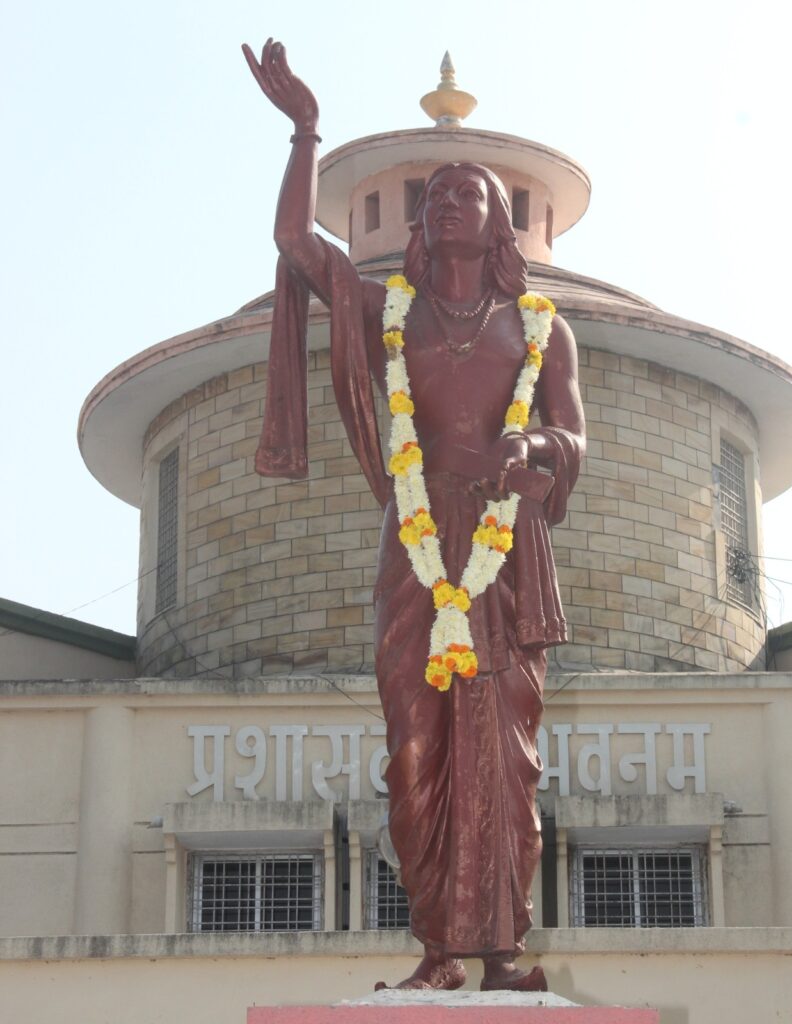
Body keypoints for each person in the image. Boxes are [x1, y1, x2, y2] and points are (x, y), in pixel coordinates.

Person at [243, 39, 585, 992]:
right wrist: (308, 132)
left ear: (498, 222)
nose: (446, 203)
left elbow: (574, 439)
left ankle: (503, 951)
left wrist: (538, 454)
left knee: (507, 755)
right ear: (423, 228)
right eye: (435, 197)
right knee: (415, 747)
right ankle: (437, 951)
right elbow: (298, 247)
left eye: (466, 194)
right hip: (418, 544)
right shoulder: (387, 313)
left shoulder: (543, 329)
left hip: (506, 551)